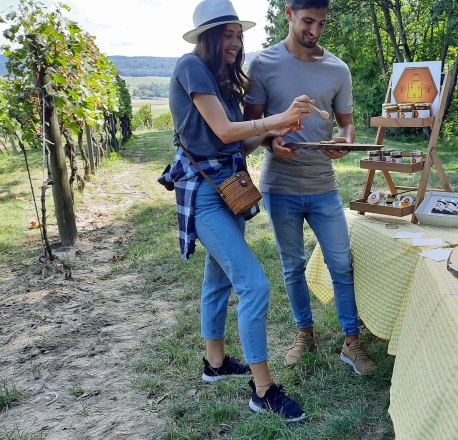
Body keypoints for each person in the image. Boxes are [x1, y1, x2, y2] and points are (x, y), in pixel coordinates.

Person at [160, 0, 315, 422]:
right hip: (204, 196)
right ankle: (262, 390)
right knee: (253, 284)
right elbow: (228, 130)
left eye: (238, 35)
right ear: (208, 38)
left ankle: (215, 365)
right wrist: (274, 119)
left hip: (226, 189)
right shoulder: (191, 67)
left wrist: (272, 133)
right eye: (226, 35)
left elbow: (232, 144)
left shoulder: (222, 80)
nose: (234, 42)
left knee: (219, 280)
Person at [244, 0, 376, 376]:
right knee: (293, 265)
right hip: (279, 186)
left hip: (323, 185)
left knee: (340, 262)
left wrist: (343, 140)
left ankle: (352, 341)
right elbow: (252, 129)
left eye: (321, 23)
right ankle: (305, 334)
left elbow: (347, 125)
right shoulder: (263, 64)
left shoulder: (338, 69)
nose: (314, 31)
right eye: (307, 21)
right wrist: (272, 143)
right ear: (288, 14)